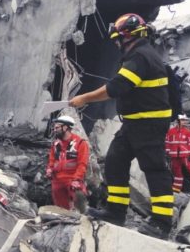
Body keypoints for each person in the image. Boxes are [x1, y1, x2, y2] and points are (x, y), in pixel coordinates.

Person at [70, 13, 174, 239]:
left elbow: (117, 88)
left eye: (117, 39)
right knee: (115, 161)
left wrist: (84, 98)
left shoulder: (140, 57)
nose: (116, 43)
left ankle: (162, 222)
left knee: (154, 169)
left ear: (126, 37)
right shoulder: (140, 54)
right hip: (135, 123)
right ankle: (115, 212)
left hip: (149, 122)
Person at [46, 116, 90, 211]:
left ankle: (82, 216)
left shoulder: (80, 143)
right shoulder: (55, 144)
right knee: (61, 210)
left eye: (57, 127)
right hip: (57, 181)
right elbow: (52, 160)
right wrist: (49, 169)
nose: (54, 130)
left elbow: (82, 164)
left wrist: (76, 179)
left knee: (79, 198)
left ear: (65, 128)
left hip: (72, 179)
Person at [165, 114, 190, 192]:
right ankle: (176, 188)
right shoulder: (170, 132)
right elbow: (167, 143)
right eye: (182, 120)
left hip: (185, 155)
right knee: (176, 171)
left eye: (185, 120)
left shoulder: (188, 132)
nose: (184, 122)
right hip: (174, 156)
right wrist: (168, 152)